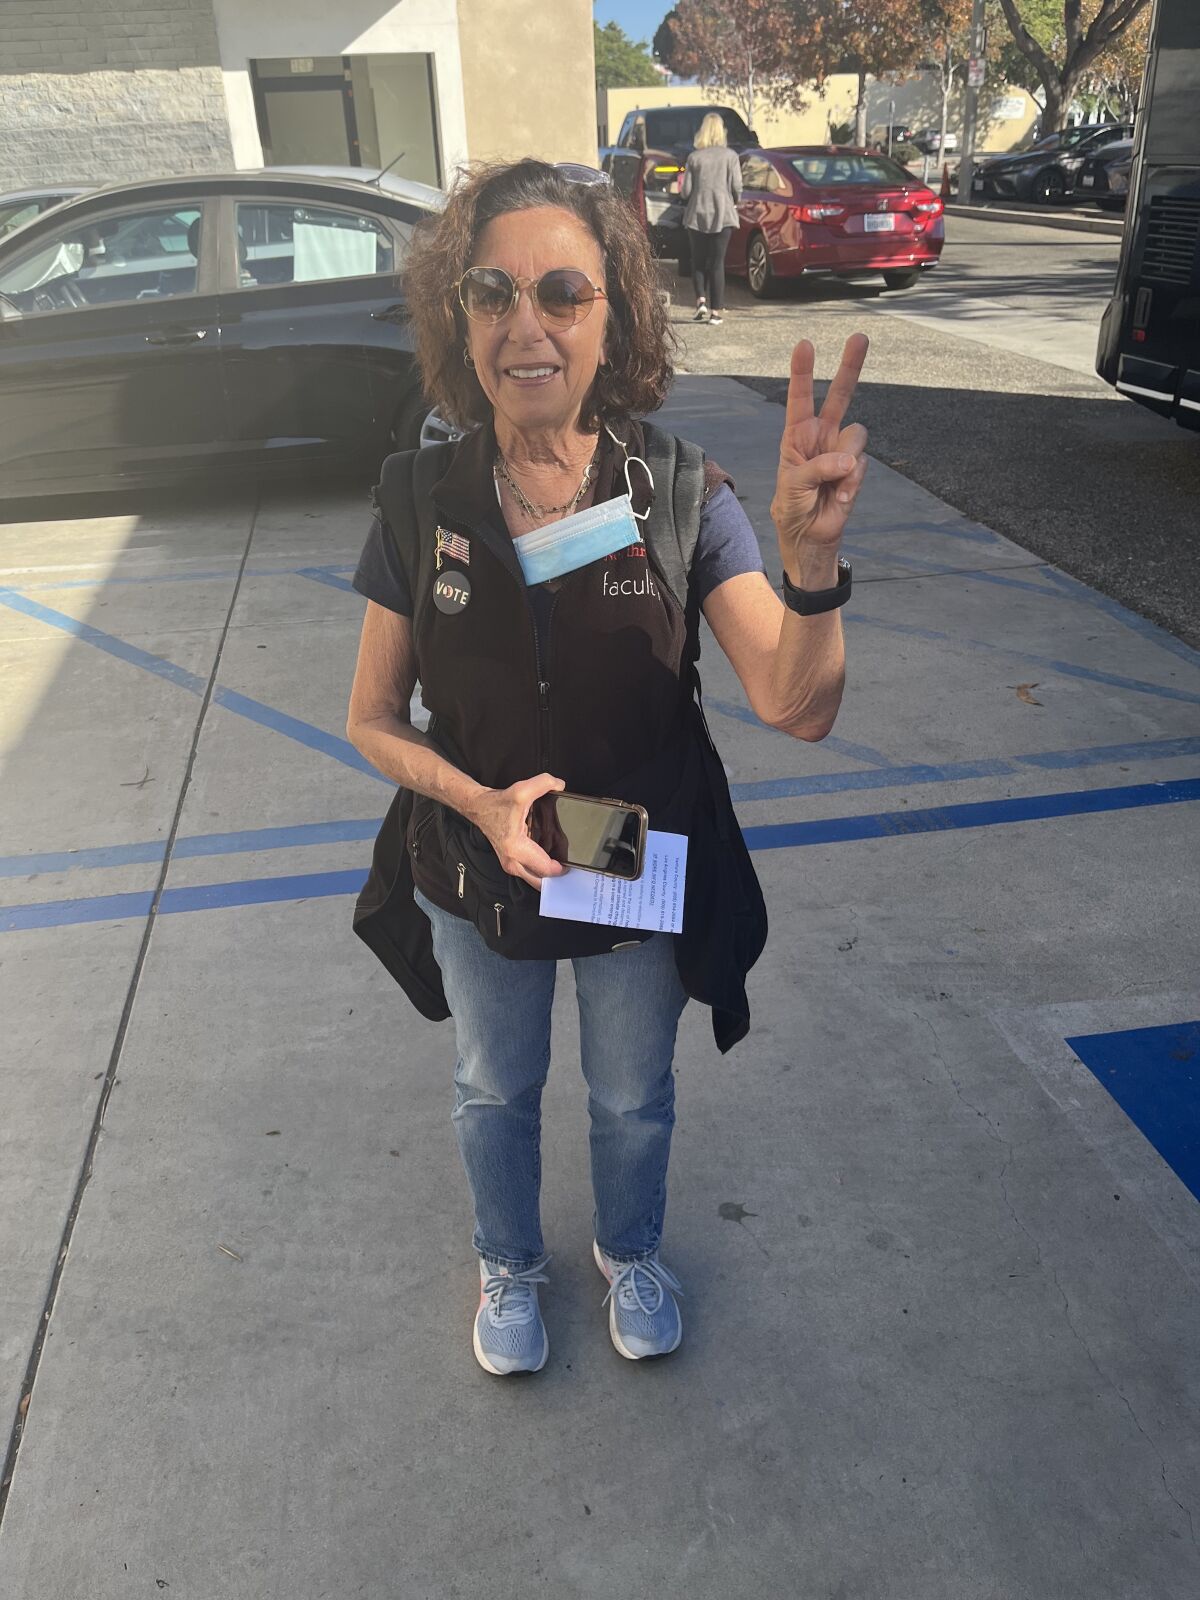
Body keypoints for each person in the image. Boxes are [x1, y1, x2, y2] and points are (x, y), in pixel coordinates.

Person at [346, 158, 869, 1377]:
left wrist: (810, 568)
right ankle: (509, 1264)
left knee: (633, 1097)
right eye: (492, 292)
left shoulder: (683, 494)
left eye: (563, 292)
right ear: (457, 317)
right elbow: (373, 716)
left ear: (612, 315)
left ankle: (629, 1248)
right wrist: (476, 799)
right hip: (476, 867)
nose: (525, 324)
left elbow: (796, 703)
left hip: (629, 870)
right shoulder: (418, 497)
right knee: (493, 1087)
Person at [680, 113, 743, 325]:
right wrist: (735, 200)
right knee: (717, 263)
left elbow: (686, 191)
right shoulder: (731, 156)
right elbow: (737, 187)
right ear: (721, 131)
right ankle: (716, 312)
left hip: (697, 213)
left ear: (702, 131)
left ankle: (701, 301)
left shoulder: (694, 158)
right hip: (723, 213)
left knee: (697, 262)